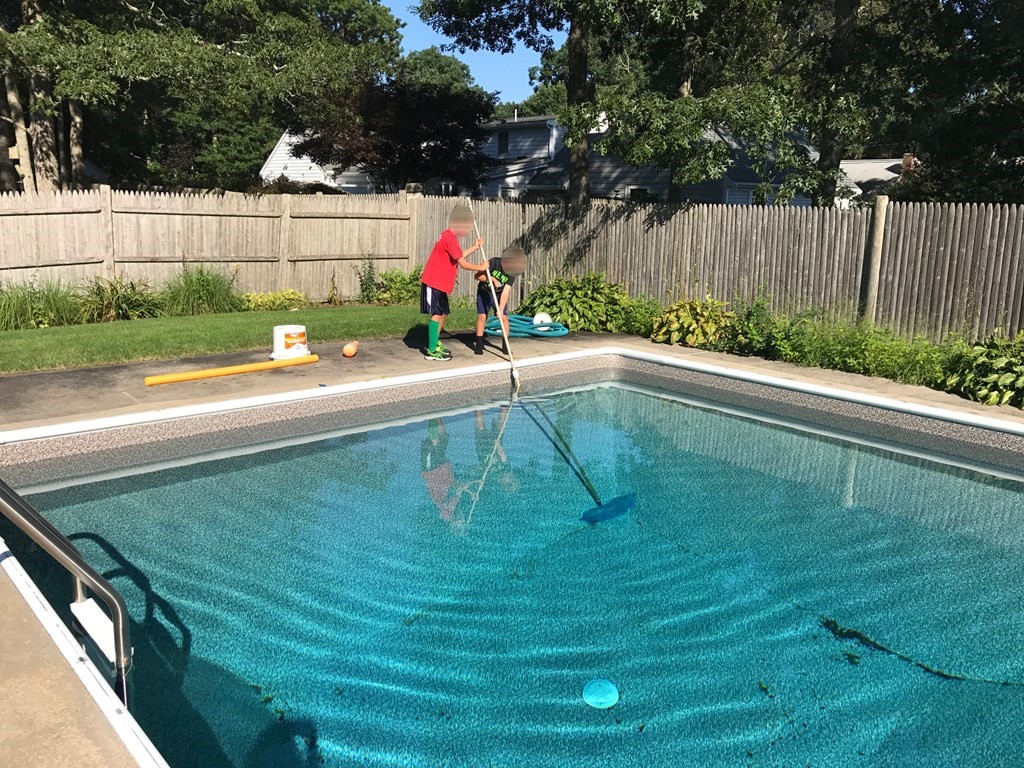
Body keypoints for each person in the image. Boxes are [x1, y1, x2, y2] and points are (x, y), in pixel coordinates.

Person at [420, 205, 488, 361]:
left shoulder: (448, 236)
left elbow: (458, 255)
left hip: (440, 283)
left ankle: (434, 342)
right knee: (437, 314)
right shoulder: (449, 239)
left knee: (443, 313)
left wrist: (475, 247)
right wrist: (481, 267)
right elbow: (463, 263)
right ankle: (431, 350)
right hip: (433, 282)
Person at [474, 246, 527, 356]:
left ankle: (505, 346)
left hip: (499, 294)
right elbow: (477, 276)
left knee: (504, 317)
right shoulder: (494, 262)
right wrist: (492, 279)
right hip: (485, 292)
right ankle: (479, 344)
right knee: (482, 317)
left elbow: (506, 291)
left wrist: (500, 309)